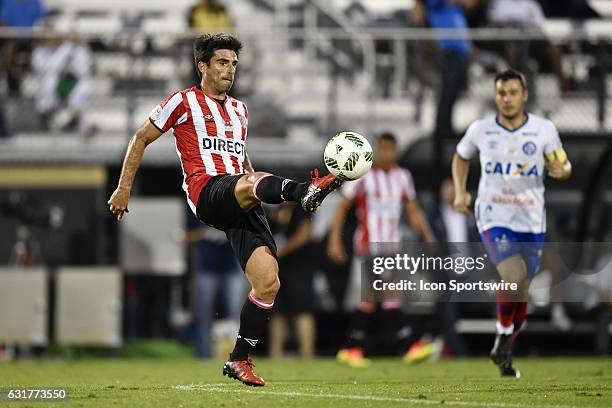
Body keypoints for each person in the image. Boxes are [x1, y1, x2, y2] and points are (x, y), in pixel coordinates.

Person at [107, 34, 343, 386]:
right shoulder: (182, 102)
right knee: (253, 181)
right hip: (206, 192)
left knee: (268, 282)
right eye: (222, 62)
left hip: (239, 194)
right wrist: (124, 187)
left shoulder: (239, 109)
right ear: (202, 65)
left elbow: (242, 160)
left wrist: (258, 187)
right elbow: (139, 138)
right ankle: (304, 190)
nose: (229, 69)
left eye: (233, 63)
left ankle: (239, 360)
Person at [452, 69, 571, 377]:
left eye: (513, 93)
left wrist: (562, 170)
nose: (507, 99)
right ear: (496, 96)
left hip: (531, 219)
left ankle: (504, 347)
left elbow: (562, 161)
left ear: (524, 95)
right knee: (513, 275)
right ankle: (504, 335)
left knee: (521, 293)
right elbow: (461, 156)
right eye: (502, 93)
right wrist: (461, 191)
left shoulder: (543, 129)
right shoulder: (481, 129)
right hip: (494, 214)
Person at [328, 132, 436, 367]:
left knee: (372, 300)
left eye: (390, 149)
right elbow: (342, 207)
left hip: (392, 247)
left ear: (396, 151)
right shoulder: (362, 174)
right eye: (382, 149)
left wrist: (428, 235)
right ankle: (407, 345)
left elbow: (412, 208)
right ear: (376, 151)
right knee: (387, 297)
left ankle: (353, 348)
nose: (386, 153)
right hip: (369, 246)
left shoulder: (403, 176)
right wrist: (335, 239)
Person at [184, 219, 245, 358]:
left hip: (232, 269)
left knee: (237, 315)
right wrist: (204, 233)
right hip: (206, 269)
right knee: (204, 315)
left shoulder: (230, 206)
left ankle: (240, 355)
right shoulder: (197, 209)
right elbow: (185, 236)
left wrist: (229, 232)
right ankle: (203, 354)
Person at [268, 202, 316, 359]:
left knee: (302, 310)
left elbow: (304, 235)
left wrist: (282, 250)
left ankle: (307, 353)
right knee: (277, 311)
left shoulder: (302, 209)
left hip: (299, 266)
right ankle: (276, 353)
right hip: (278, 267)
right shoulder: (277, 210)